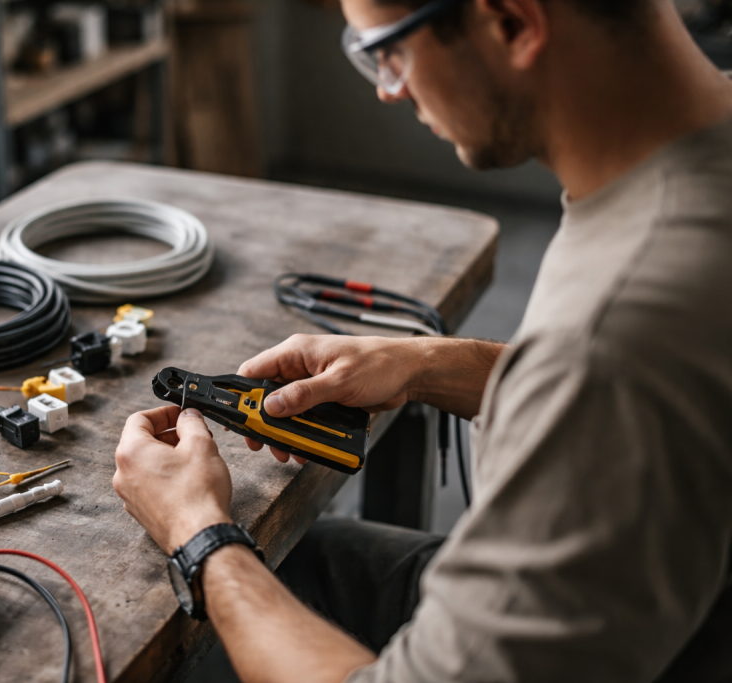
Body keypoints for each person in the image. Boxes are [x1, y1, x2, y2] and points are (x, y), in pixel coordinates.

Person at [112, 0, 732, 680]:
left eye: (390, 49)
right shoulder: (686, 168)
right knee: (307, 561)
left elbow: (607, 372)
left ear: (512, 23)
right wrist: (426, 365)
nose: (387, 86)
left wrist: (201, 536)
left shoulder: (615, 329)